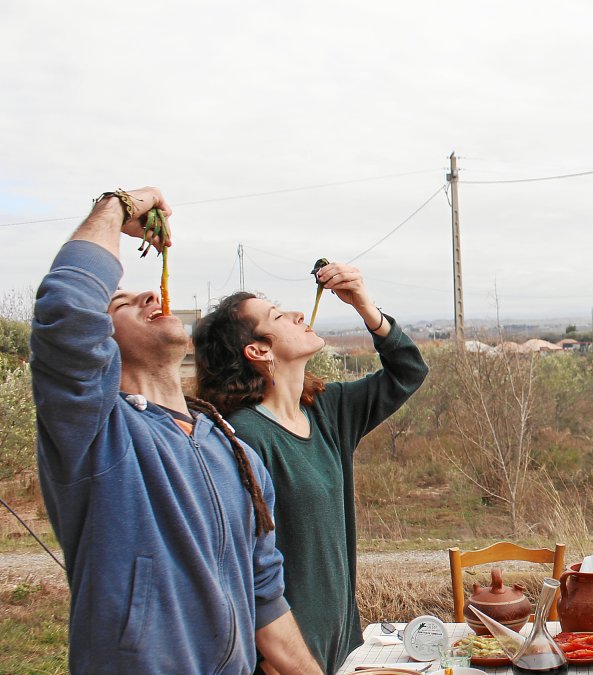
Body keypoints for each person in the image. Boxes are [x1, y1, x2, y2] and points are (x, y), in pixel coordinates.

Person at [30, 187, 321, 673]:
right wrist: (117, 206)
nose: (148, 292)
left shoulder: (235, 453)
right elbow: (68, 310)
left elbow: (264, 597)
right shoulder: (95, 431)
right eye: (120, 303)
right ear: (101, 342)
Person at [192, 264, 428, 673]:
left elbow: (408, 372)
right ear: (258, 351)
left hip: (338, 642)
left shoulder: (327, 411)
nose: (300, 314)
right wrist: (265, 655)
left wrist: (366, 308)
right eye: (279, 317)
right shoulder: (243, 438)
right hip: (285, 656)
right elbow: (233, 562)